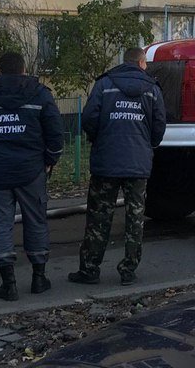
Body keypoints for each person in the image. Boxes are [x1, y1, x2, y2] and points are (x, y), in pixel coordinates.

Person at [68, 47, 167, 286]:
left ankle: (90, 269)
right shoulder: (152, 89)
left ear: (124, 62)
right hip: (137, 163)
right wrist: (146, 145)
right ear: (142, 63)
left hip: (106, 162)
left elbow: (89, 119)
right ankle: (128, 271)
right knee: (135, 218)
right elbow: (159, 126)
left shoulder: (105, 85)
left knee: (99, 217)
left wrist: (99, 140)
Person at [0, 52, 64, 301]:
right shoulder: (40, 94)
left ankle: (8, 284)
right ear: (25, 70)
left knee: (1, 224)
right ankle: (39, 278)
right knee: (36, 220)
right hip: (32, 170)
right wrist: (50, 160)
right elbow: (55, 132)